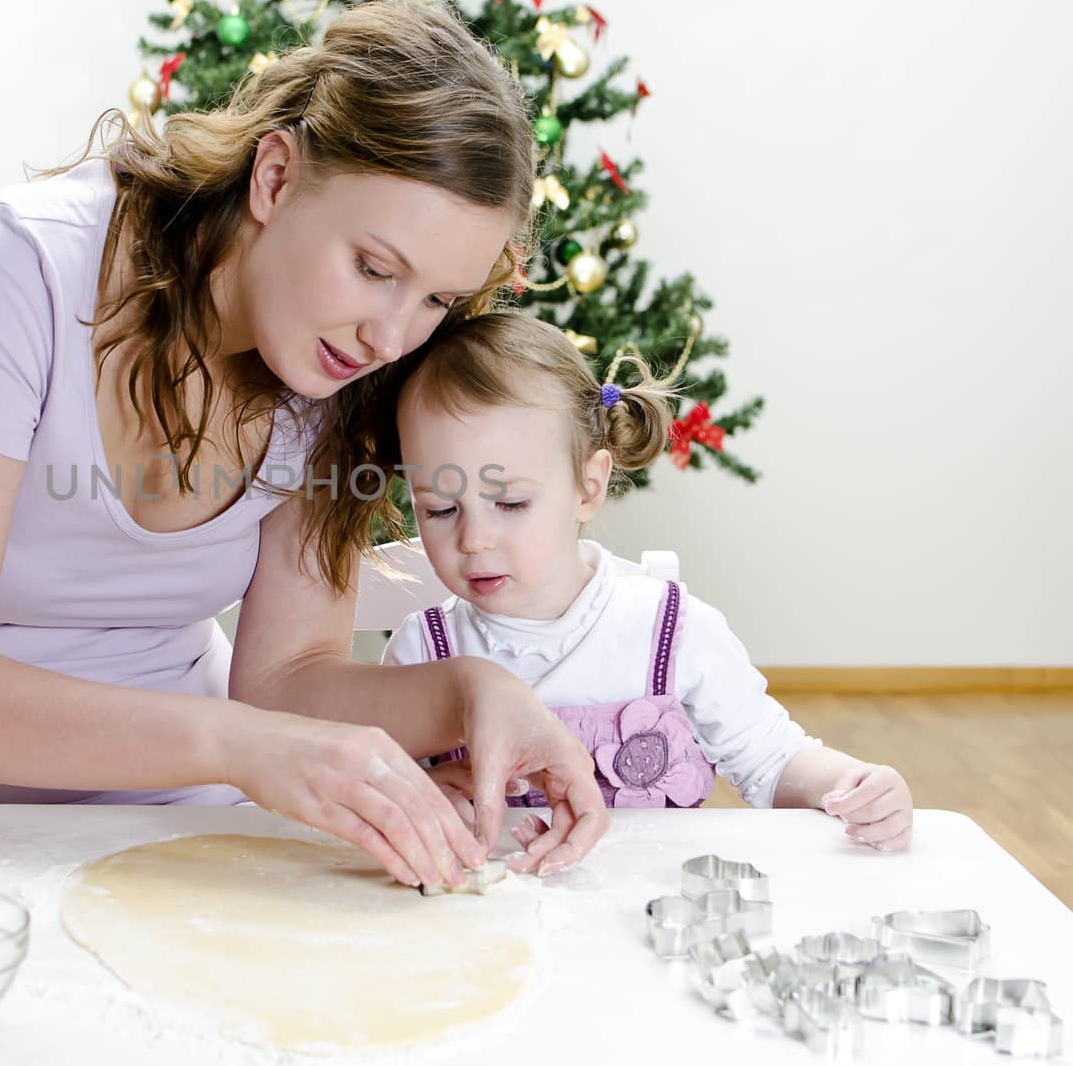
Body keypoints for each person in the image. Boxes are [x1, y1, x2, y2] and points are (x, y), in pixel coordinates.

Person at [0, 0, 609, 890]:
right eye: (375, 268)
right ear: (275, 177)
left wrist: (472, 693)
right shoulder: (14, 270)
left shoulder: (330, 370)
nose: (391, 338)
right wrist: (240, 749)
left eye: (434, 301)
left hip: (189, 817)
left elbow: (286, 682)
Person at [384, 313, 915, 852]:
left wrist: (848, 786)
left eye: (511, 503)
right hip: (486, 918)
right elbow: (383, 792)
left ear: (588, 488)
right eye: (440, 509)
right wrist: (427, 794)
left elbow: (772, 760)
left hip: (649, 915)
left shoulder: (670, 629)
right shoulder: (421, 651)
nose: (474, 539)